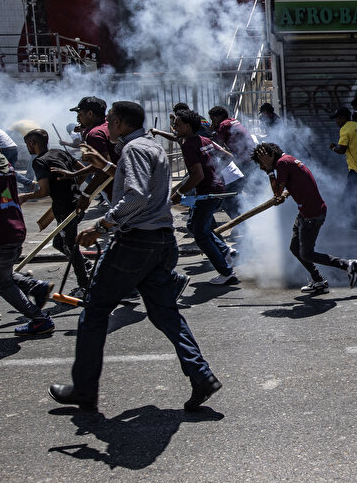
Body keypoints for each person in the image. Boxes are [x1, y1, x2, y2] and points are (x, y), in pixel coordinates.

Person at [49, 101, 221, 413]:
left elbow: (136, 195)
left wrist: (102, 225)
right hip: (159, 240)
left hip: (136, 241)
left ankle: (84, 389)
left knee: (95, 310)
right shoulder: (151, 146)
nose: (108, 124)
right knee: (165, 313)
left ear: (117, 122)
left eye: (110, 120)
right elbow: (133, 185)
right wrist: (100, 164)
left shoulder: (134, 149)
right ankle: (201, 375)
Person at [251, 143, 357, 293]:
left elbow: (277, 192)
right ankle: (319, 281)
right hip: (306, 212)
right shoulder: (288, 160)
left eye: (261, 161)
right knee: (295, 248)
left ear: (270, 155)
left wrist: (270, 171)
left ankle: (347, 265)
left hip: (312, 214)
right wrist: (283, 193)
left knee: (307, 253)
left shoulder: (281, 164)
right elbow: (293, 185)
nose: (261, 166)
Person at [152, 110, 237, 286]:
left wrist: (180, 193)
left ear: (188, 126)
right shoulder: (204, 140)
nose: (174, 127)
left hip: (207, 193)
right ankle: (227, 252)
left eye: (177, 124)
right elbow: (228, 157)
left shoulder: (189, 145)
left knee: (200, 234)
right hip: (216, 189)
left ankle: (226, 272)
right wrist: (214, 174)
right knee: (194, 225)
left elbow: (197, 175)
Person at [0, 138, 55, 336]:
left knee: (0, 282)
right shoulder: (1, 162)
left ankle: (39, 319)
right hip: (11, 227)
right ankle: (34, 286)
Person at [19, 129, 92, 295]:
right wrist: (74, 188)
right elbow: (81, 170)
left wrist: (25, 197)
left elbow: (44, 191)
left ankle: (85, 286)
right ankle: (84, 263)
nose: (28, 148)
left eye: (27, 144)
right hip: (77, 204)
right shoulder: (60, 152)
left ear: (33, 143)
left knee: (70, 245)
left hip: (65, 209)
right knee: (59, 243)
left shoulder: (39, 161)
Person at [330, 107, 357, 230]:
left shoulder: (345, 129)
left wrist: (333, 148)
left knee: (348, 197)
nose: (336, 122)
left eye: (338, 119)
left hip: (356, 170)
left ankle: (353, 225)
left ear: (343, 118)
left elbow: (341, 150)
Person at [208, 105, 254, 220]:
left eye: (213, 119)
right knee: (248, 191)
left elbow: (217, 146)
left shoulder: (223, 125)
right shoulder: (233, 121)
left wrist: (213, 131)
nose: (212, 122)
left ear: (220, 117)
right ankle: (247, 219)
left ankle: (241, 223)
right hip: (252, 159)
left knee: (229, 195)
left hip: (243, 161)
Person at [0, 123, 35, 190]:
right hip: (10, 147)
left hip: (5, 149)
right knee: (9, 172)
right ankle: (24, 185)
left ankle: (29, 183)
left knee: (6, 171)